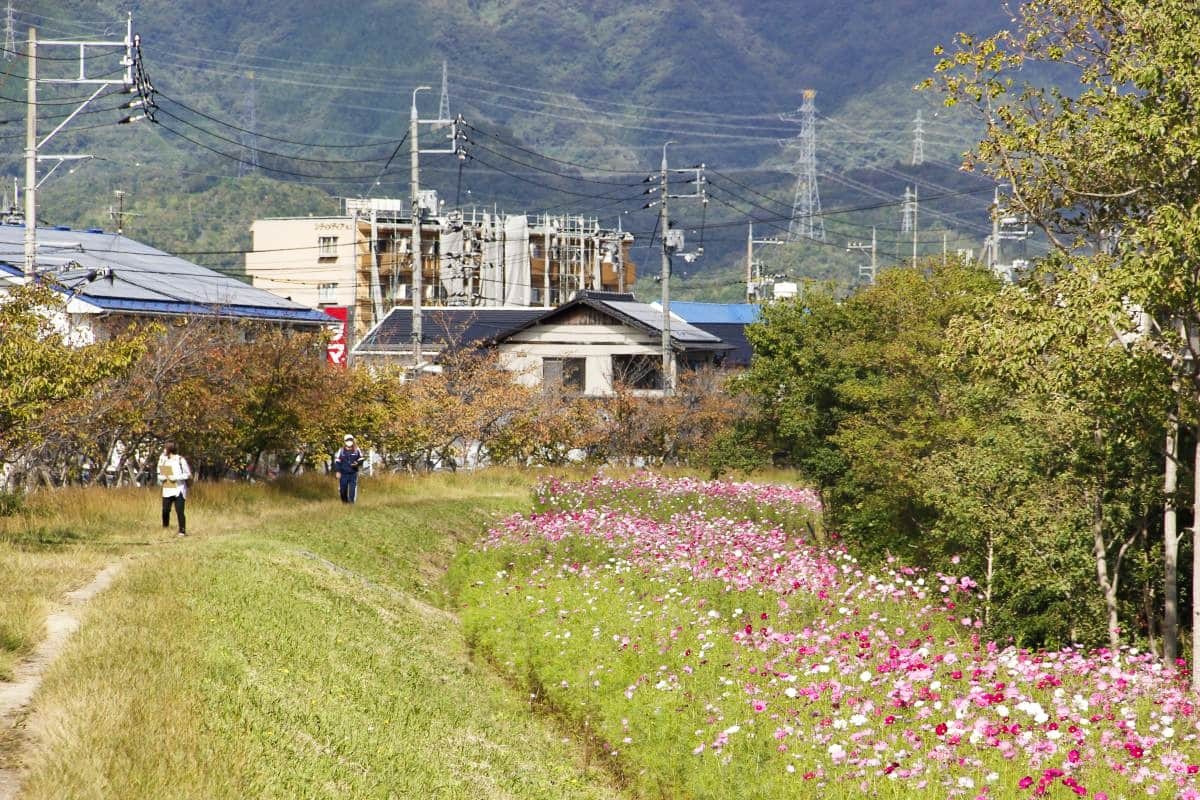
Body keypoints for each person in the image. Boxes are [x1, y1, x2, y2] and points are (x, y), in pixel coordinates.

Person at [157, 441, 191, 536]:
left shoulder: (180, 460)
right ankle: (165, 527)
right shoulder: (163, 460)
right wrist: (162, 477)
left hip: (179, 488)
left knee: (179, 510)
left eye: (165, 448)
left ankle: (182, 531)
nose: (164, 450)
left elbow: (187, 474)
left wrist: (176, 477)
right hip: (167, 488)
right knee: (165, 509)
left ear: (169, 449)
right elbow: (159, 473)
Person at [334, 434, 365, 503]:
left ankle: (351, 504)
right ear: (345, 441)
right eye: (347, 440)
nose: (349, 441)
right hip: (343, 473)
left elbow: (362, 459)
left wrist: (357, 463)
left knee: (352, 489)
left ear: (353, 441)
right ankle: (345, 503)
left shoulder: (357, 450)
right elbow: (337, 461)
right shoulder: (341, 451)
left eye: (351, 440)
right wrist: (338, 471)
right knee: (342, 490)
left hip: (353, 473)